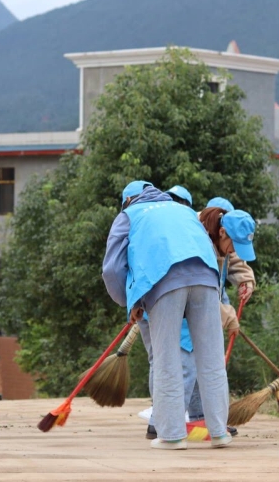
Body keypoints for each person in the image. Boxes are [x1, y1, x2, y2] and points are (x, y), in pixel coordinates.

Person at [102, 180, 230, 450]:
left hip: (163, 280)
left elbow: (112, 270)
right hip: (207, 277)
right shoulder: (182, 210)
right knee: (211, 357)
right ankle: (218, 432)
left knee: (165, 359)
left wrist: (130, 303)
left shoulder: (128, 215)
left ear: (128, 201)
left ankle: (171, 436)